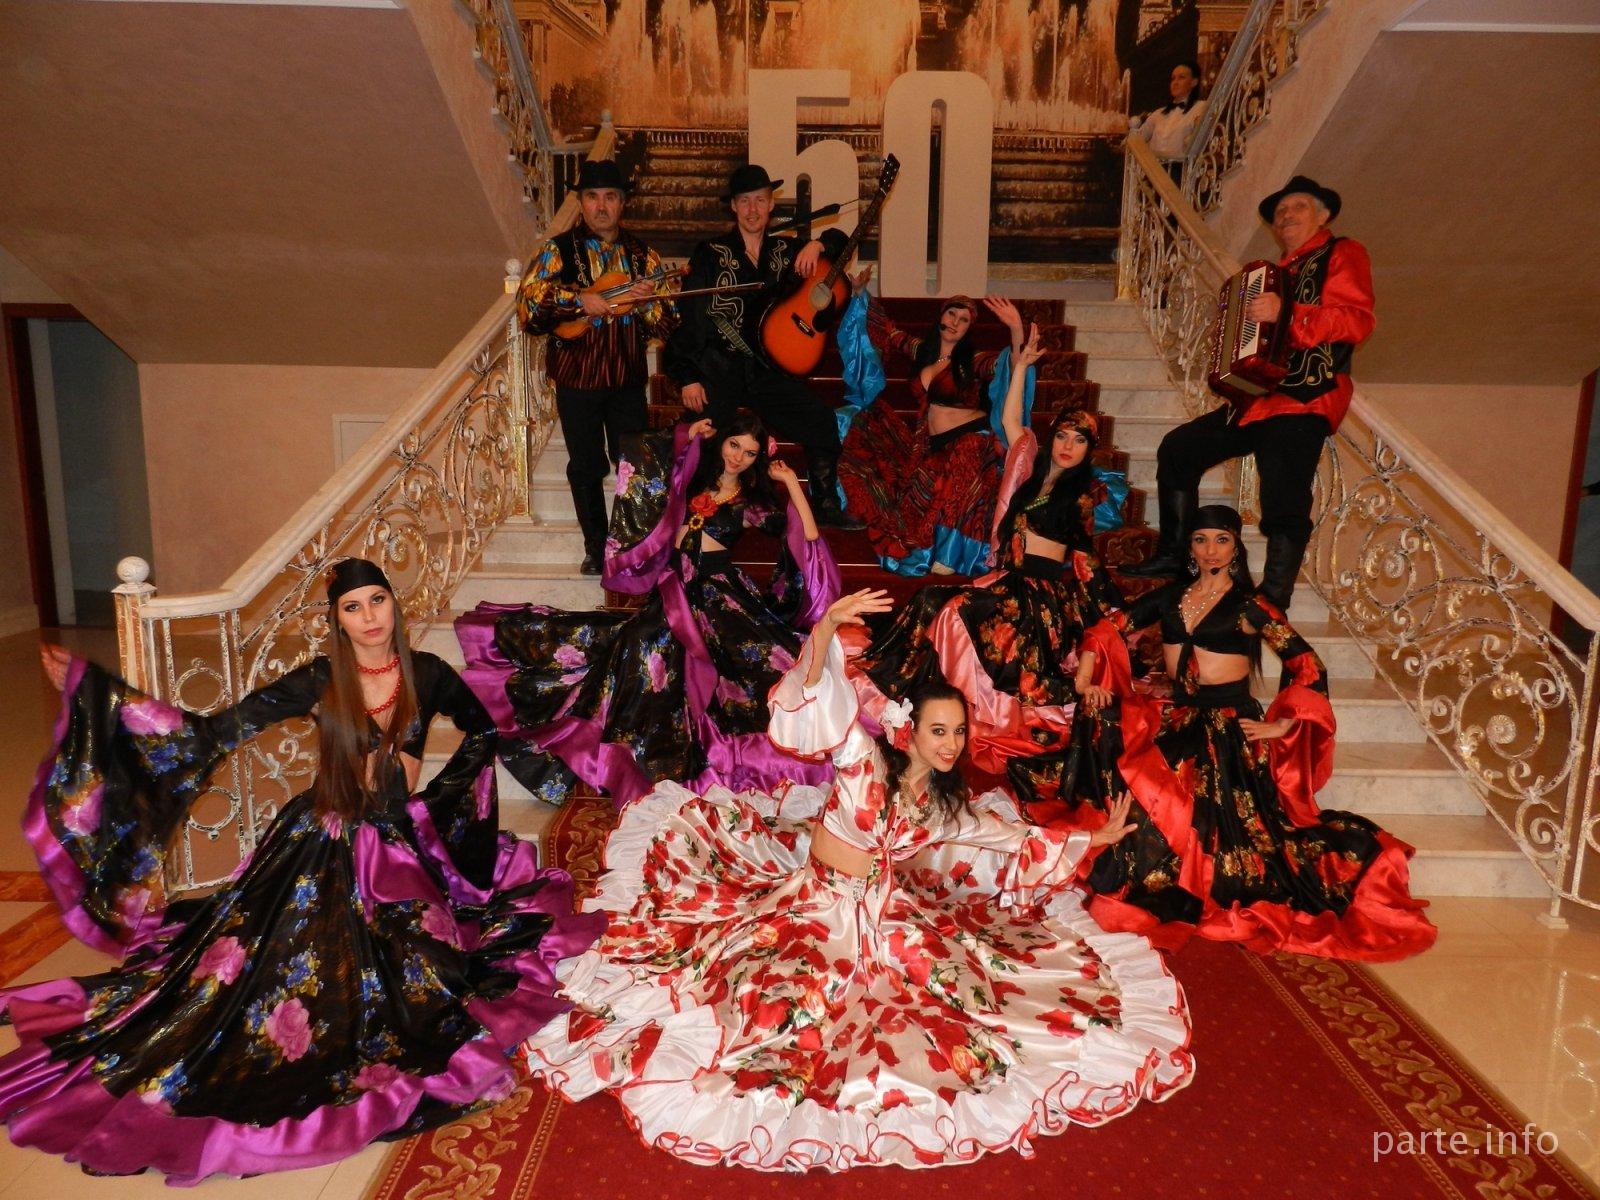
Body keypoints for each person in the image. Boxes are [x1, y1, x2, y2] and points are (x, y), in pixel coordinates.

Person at [523, 588, 1195, 1172]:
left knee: (962, 1003)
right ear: (911, 731)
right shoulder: (861, 761)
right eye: (939, 731)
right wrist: (823, 629)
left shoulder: (944, 806)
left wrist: (1092, 838)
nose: (951, 744)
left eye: (959, 733)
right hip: (810, 910)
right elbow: (811, 702)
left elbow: (1006, 836)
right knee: (766, 1013)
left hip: (885, 918)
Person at [0, 558, 603, 1184]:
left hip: (396, 851)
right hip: (320, 843)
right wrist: (97, 696)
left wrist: (435, 802)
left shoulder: (427, 673)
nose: (369, 617)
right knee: (273, 980)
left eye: (378, 601)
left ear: (394, 604)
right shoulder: (321, 678)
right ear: (337, 621)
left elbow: (480, 732)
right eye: (353, 608)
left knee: (430, 979)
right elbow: (215, 733)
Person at [1044, 506, 1437, 960]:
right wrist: (1085, 681)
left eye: (1221, 540)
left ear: (1236, 547)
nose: (1210, 550)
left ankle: (1185, 882)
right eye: (1200, 540)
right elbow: (1105, 629)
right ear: (1190, 547)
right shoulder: (1171, 596)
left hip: (1227, 727)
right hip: (1180, 716)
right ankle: (1144, 876)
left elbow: (1308, 665)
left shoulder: (1250, 605)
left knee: (1209, 817)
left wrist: (1281, 724)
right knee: (1119, 748)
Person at [456, 412, 840, 809]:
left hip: (720, 595)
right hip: (675, 587)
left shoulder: (751, 501)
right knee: (636, 642)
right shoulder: (692, 478)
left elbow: (807, 535)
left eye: (749, 453)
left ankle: (687, 749)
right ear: (722, 441)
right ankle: (614, 741)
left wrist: (791, 482)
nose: (738, 457)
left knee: (752, 663)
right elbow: (648, 458)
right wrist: (685, 435)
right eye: (734, 445)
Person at [854, 327, 1130, 776]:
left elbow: (1085, 562)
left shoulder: (1082, 496)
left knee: (955, 610)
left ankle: (951, 709)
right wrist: (1020, 367)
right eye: (1063, 436)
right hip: (1007, 581)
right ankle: (908, 698)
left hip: (1035, 597)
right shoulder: (1031, 472)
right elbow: (1010, 421)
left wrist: (1107, 617)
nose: (1068, 447)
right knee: (929, 599)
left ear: (1089, 450)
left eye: (1080, 441)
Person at [1125, 175, 1375, 609]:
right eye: (1280, 212)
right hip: (1258, 399)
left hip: (1305, 396)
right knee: (1179, 448)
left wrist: (1288, 312)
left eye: (1298, 207)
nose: (1286, 215)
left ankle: (1273, 597)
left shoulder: (1343, 251)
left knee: (1283, 495)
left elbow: (1356, 320)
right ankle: (1174, 556)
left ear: (1323, 216)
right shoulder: (1274, 273)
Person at [663, 163, 862, 530]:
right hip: (720, 366)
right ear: (733, 207)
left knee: (820, 419)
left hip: (768, 370)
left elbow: (842, 242)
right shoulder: (710, 252)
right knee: (701, 429)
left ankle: (825, 504)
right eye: (744, 201)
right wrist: (687, 375)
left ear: (771, 204)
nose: (752, 209)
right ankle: (693, 511)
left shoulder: (788, 251)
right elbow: (690, 317)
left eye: (759, 200)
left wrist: (817, 244)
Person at [518, 158, 676, 574]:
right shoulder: (557, 250)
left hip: (626, 379)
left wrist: (646, 304)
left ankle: (630, 544)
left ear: (622, 203)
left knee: (633, 464)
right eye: (592, 197)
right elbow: (529, 307)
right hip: (577, 379)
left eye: (610, 197)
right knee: (585, 466)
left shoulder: (644, 256)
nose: (601, 206)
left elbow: (667, 323)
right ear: (582, 203)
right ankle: (595, 546)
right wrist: (577, 300)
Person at [834, 268, 1031, 576]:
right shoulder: (922, 352)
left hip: (972, 439)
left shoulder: (972, 361)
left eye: (963, 320)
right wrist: (860, 293)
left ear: (968, 329)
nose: (955, 322)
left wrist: (1016, 329)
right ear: (941, 316)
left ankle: (949, 555)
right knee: (868, 430)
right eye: (952, 314)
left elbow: (1013, 365)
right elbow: (887, 329)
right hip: (931, 445)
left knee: (966, 452)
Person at [1132, 60, 1207, 177]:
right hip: (1153, 172)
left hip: (1180, 173)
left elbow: (1200, 137)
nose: (1175, 82)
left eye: (1181, 77)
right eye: (1173, 78)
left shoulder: (1201, 107)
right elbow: (1138, 138)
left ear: (1194, 82)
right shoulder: (1158, 114)